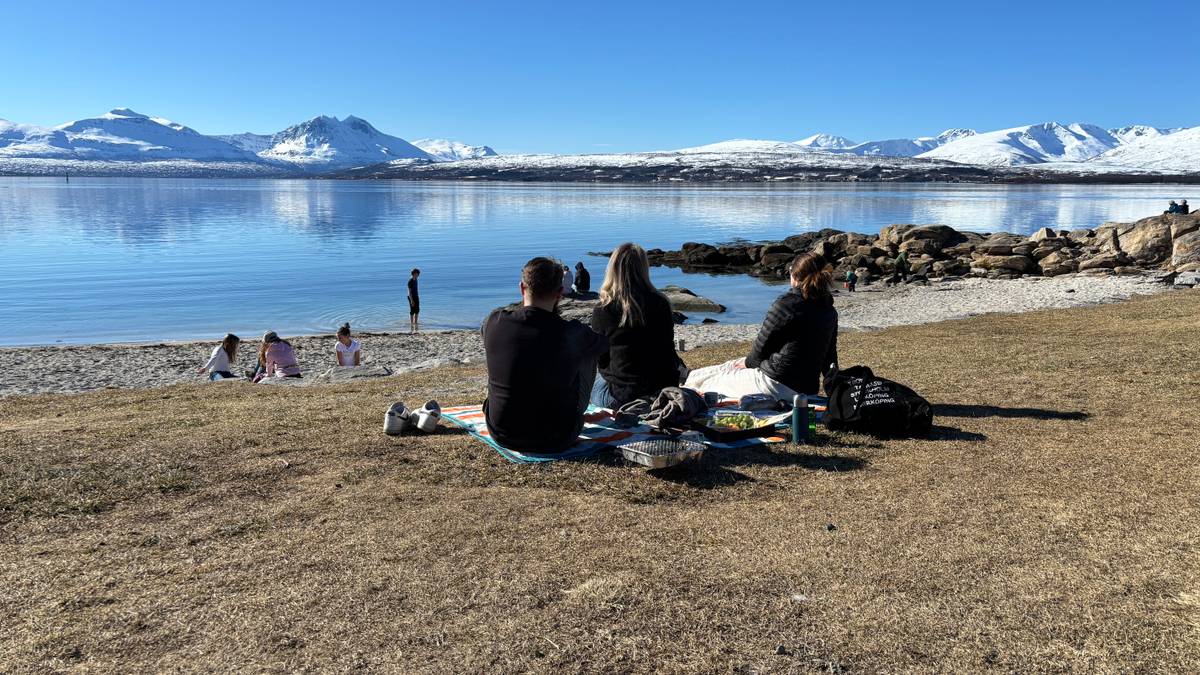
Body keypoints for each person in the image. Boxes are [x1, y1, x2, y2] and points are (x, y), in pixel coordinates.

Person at [482, 257, 608, 452]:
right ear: (559, 294)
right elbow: (605, 345)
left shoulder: (494, 321)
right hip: (557, 436)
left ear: (522, 288)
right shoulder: (572, 333)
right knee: (588, 351)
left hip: (500, 432)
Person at [684, 252, 838, 401]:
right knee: (729, 365)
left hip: (775, 384)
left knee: (710, 382)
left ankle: (685, 380)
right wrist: (834, 390)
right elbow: (829, 358)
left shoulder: (787, 304)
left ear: (795, 276)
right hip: (806, 388)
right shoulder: (829, 311)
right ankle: (686, 375)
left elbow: (761, 349)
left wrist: (747, 364)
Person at [589, 243, 682, 409]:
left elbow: (601, 359)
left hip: (622, 397)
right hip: (663, 391)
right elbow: (667, 347)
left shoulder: (605, 309)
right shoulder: (661, 303)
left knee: (589, 378)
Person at [407, 269, 421, 333]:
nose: (418, 275)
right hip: (411, 297)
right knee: (412, 310)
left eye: (418, 274)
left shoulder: (416, 280)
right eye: (417, 274)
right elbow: (409, 292)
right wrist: (412, 300)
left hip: (416, 296)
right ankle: (411, 324)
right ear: (413, 274)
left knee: (417, 310)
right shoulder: (410, 281)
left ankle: (416, 323)